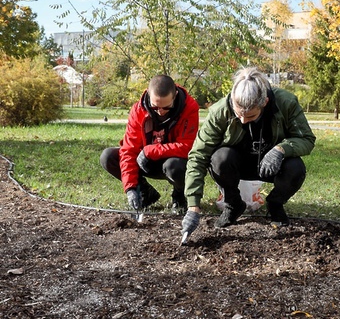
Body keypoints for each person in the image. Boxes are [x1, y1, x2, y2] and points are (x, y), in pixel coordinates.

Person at [180, 67, 316, 240]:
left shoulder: (285, 103)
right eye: (238, 115)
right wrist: (193, 207)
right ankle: (233, 204)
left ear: (264, 103)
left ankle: (275, 204)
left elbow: (306, 139)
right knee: (219, 159)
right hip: (237, 164)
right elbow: (198, 156)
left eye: (250, 116)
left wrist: (281, 149)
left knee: (296, 168)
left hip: (272, 165)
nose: (243, 120)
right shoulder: (220, 111)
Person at [100, 74, 199, 214]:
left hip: (174, 163)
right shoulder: (138, 110)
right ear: (148, 94)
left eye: (166, 107)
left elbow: (188, 147)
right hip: (145, 162)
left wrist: (150, 151)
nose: (160, 112)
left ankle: (179, 195)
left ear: (175, 96)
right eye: (155, 107)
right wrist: (130, 188)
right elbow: (129, 150)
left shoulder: (189, 107)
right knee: (108, 156)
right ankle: (145, 193)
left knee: (175, 166)